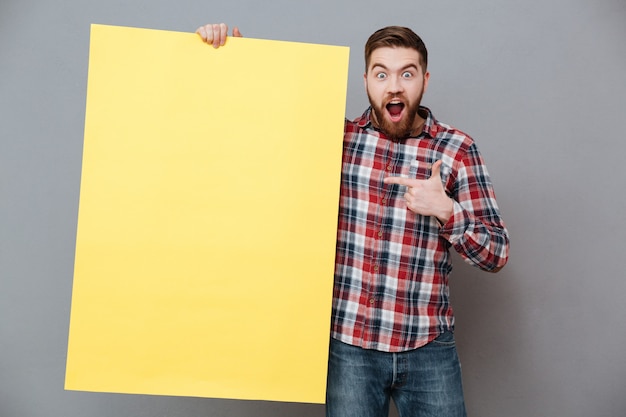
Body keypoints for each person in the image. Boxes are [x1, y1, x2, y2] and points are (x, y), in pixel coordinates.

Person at [196, 23, 510, 417]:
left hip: (428, 347)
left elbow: (496, 253)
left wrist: (447, 210)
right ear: (366, 81)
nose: (394, 87)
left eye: (406, 73)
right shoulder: (335, 140)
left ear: (425, 81)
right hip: (349, 350)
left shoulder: (458, 150)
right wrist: (235, 57)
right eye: (382, 74)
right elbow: (257, 128)